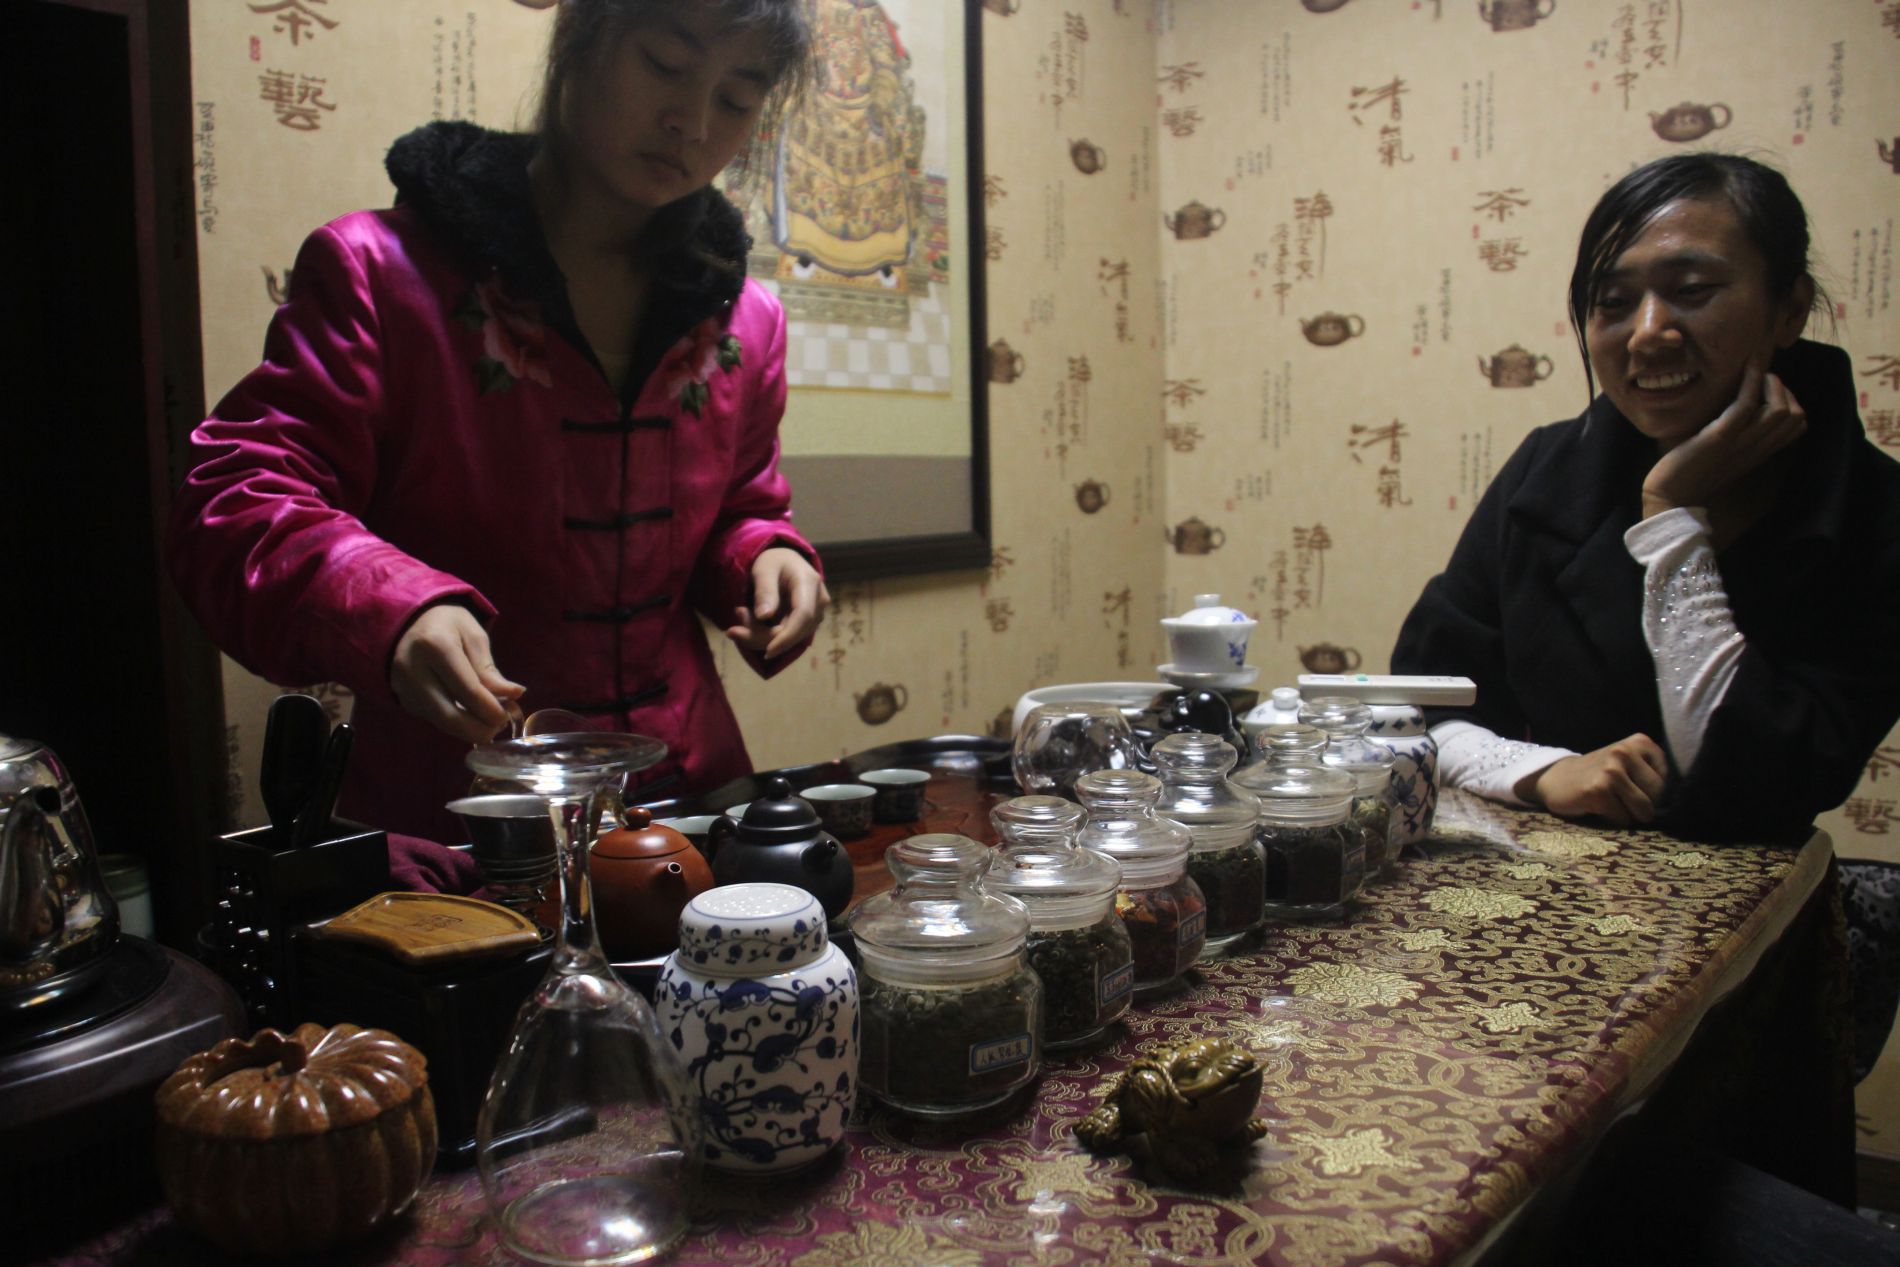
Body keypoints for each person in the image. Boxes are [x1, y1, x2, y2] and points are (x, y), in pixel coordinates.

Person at [169, 0, 829, 843]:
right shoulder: (381, 273)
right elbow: (231, 498)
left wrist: (765, 556)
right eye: (665, 64)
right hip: (458, 813)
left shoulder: (749, 320)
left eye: (737, 99)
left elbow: (739, 505)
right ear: (579, 42)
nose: (691, 121)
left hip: (685, 804)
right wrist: (391, 608)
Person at [1392, 153, 1900, 845]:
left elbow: (1761, 780)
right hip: (1522, 892)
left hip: (1743, 914)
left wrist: (1672, 515)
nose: (1647, 331)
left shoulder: (1873, 512)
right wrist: (1544, 771)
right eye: (1613, 301)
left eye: (1692, 289)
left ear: (1790, 308)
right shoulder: (1549, 471)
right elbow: (1416, 709)